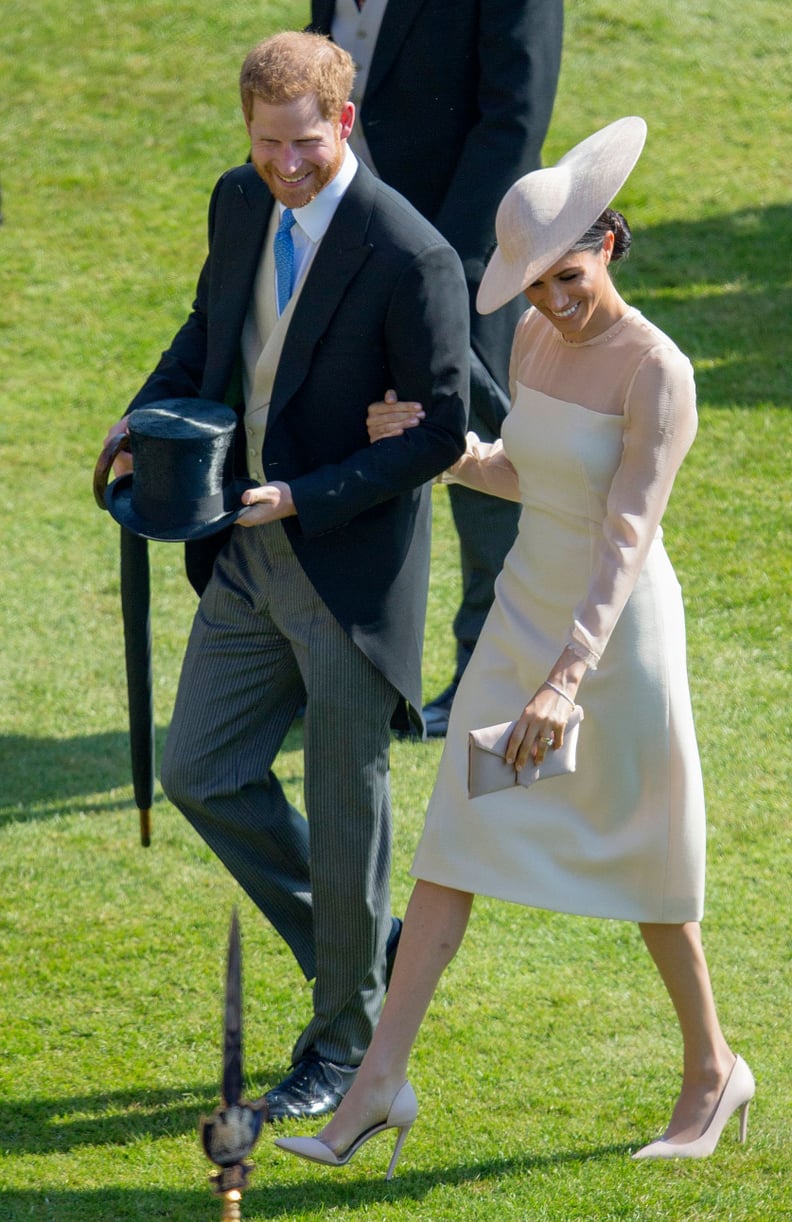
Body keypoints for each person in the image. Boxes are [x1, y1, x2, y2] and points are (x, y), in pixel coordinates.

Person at [274, 117, 755, 1171]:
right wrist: (442, 454)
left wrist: (566, 684)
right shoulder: (537, 337)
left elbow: (624, 536)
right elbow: (530, 471)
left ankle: (714, 1071)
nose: (551, 302)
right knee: (455, 841)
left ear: (609, 244)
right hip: (521, 614)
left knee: (648, 867)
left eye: (569, 277)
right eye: (535, 286)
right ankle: (377, 1085)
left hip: (612, 639)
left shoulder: (658, 372)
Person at [102, 30, 469, 1120]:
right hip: (245, 552)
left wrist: (310, 492)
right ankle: (369, 957)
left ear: (343, 123)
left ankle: (347, 1040)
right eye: (267, 145)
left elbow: (443, 431)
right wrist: (146, 406)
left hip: (348, 573)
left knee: (347, 810)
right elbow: (211, 326)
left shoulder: (413, 256)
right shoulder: (236, 198)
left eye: (303, 144)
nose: (285, 165)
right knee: (202, 771)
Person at [309, 0, 564, 735]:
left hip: (468, 266)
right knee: (359, 442)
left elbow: (515, 118)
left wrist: (448, 269)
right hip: (355, 250)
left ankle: (494, 673)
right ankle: (348, 666)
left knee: (483, 468)